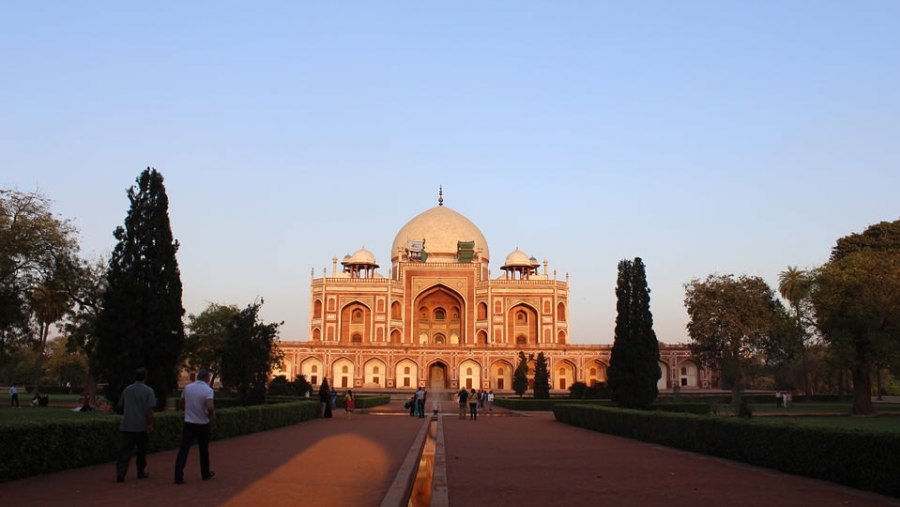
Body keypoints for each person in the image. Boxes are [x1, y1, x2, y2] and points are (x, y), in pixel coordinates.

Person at [174, 369, 215, 485]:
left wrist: (187, 410)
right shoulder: (208, 390)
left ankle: (178, 476)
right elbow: (210, 407)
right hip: (202, 423)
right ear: (207, 378)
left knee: (184, 450)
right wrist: (210, 416)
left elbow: (182, 403)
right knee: (203, 450)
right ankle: (205, 473)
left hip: (189, 422)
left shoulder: (188, 388)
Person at [116, 367, 156, 483]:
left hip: (127, 424)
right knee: (141, 451)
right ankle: (140, 471)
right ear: (145, 377)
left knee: (125, 450)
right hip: (141, 426)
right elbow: (149, 410)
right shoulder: (149, 391)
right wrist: (150, 424)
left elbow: (120, 405)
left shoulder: (127, 390)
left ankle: (121, 472)